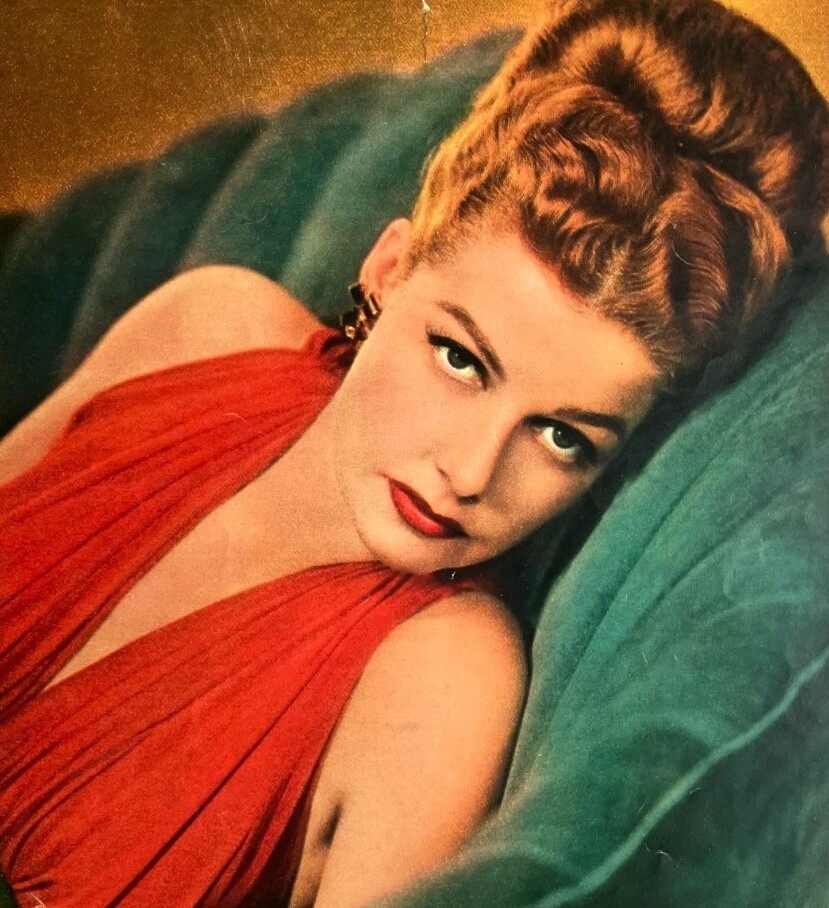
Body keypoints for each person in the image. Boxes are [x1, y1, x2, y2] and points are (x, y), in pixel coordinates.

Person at [0, 0, 827, 905]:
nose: (469, 475)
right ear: (389, 268)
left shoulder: (445, 679)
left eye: (563, 437)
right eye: (461, 359)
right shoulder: (208, 326)